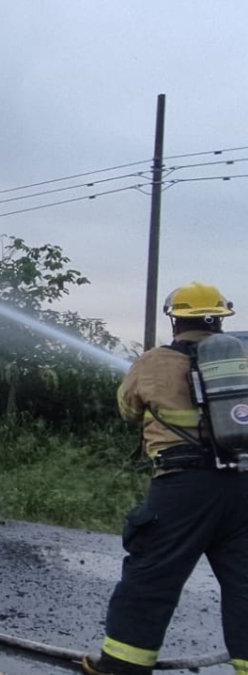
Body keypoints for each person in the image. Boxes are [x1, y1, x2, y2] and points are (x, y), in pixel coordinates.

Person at [83, 282, 248, 675]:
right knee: (245, 585)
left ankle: (122, 667)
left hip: (182, 487)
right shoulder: (242, 361)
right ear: (220, 320)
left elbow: (127, 408)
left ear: (175, 319)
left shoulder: (154, 362)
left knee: (151, 578)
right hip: (243, 485)